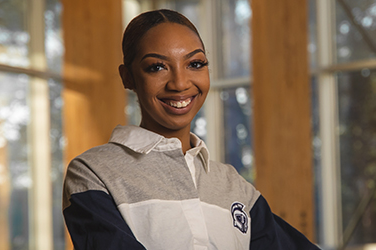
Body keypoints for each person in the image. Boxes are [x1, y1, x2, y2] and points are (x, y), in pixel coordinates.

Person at [62, 9, 318, 250]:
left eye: (195, 64)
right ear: (127, 77)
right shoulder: (93, 172)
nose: (180, 83)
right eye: (157, 67)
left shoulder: (235, 187)